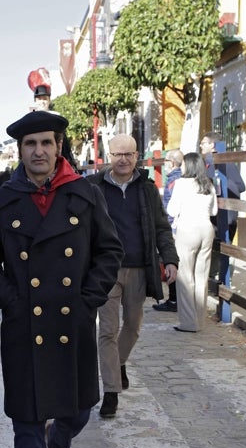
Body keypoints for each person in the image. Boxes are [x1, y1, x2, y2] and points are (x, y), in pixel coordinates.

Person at [0, 110, 123, 448]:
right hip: (24, 323)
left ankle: (57, 445)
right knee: (27, 422)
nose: (38, 151)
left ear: (58, 148)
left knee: (78, 411)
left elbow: (110, 250)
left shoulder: (84, 194)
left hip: (73, 319)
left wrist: (88, 299)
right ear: (20, 150)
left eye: (45, 143)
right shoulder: (2, 201)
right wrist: (10, 299)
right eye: (30, 144)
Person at [87, 134, 179, 418]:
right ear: (108, 156)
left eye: (129, 154)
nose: (123, 159)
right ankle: (111, 392)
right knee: (107, 330)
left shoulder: (147, 189)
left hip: (140, 267)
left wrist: (170, 259)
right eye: (118, 154)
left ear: (137, 156)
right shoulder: (93, 187)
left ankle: (119, 362)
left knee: (134, 326)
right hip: (106, 269)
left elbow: (162, 227)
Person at [167, 152, 218, 333]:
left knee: (185, 277)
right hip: (206, 228)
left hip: (187, 230)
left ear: (188, 166)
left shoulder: (181, 184)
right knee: (201, 276)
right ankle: (200, 320)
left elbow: (172, 210)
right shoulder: (209, 184)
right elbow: (214, 211)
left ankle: (188, 322)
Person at [199, 131, 246, 283]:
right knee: (212, 251)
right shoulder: (207, 163)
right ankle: (213, 283)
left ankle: (224, 284)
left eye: (204, 142)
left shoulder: (224, 162)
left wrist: (217, 185)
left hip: (226, 216)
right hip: (212, 216)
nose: (201, 145)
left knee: (225, 251)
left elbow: (240, 186)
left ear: (212, 145)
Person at [29, 67, 78, 171]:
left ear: (49, 101)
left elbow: (65, 147)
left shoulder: (57, 119)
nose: (42, 101)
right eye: (39, 98)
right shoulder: (28, 121)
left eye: (45, 99)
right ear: (35, 100)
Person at [153, 148, 184, 313]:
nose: (164, 166)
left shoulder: (174, 181)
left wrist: (168, 228)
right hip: (177, 227)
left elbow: (170, 208)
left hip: (174, 228)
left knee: (171, 261)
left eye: (165, 162)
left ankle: (173, 299)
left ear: (171, 163)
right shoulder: (177, 179)